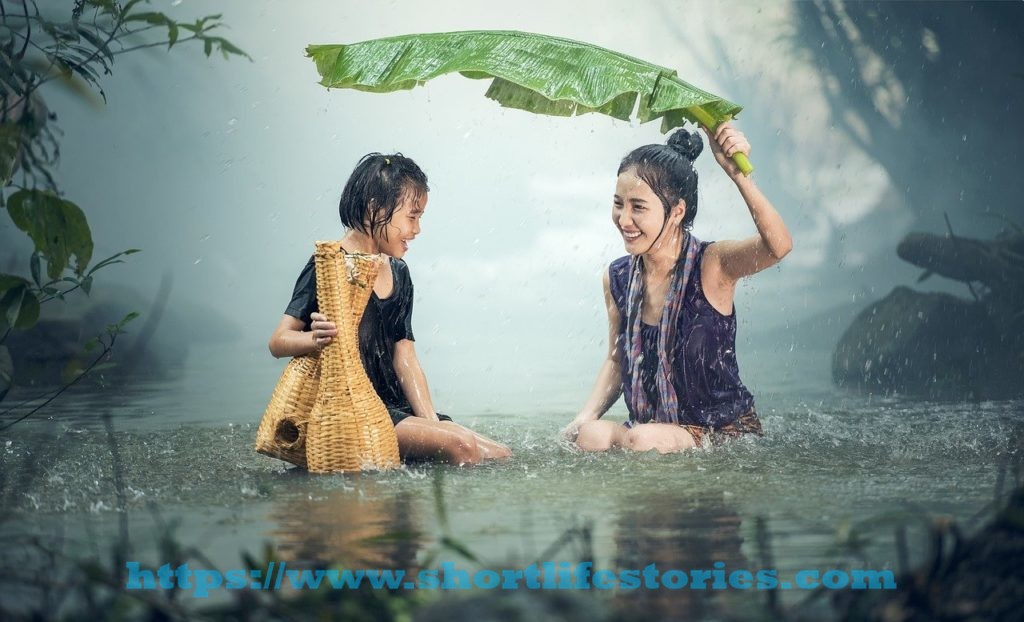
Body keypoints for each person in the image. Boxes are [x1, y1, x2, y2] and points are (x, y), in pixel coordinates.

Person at [562, 122, 792, 453]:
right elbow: (617, 359)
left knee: (643, 439)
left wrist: (738, 174)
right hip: (652, 430)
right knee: (591, 436)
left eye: (638, 207)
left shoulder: (712, 265)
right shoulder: (618, 277)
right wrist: (583, 416)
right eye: (618, 203)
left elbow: (778, 246)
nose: (623, 219)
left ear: (676, 212)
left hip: (721, 432)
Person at [268, 153, 512, 465]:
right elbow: (278, 341)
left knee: (499, 455)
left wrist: (431, 423)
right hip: (357, 412)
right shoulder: (329, 266)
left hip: (397, 408)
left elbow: (405, 357)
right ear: (375, 208)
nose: (418, 229)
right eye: (412, 217)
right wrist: (312, 339)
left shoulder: (398, 272)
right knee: (462, 446)